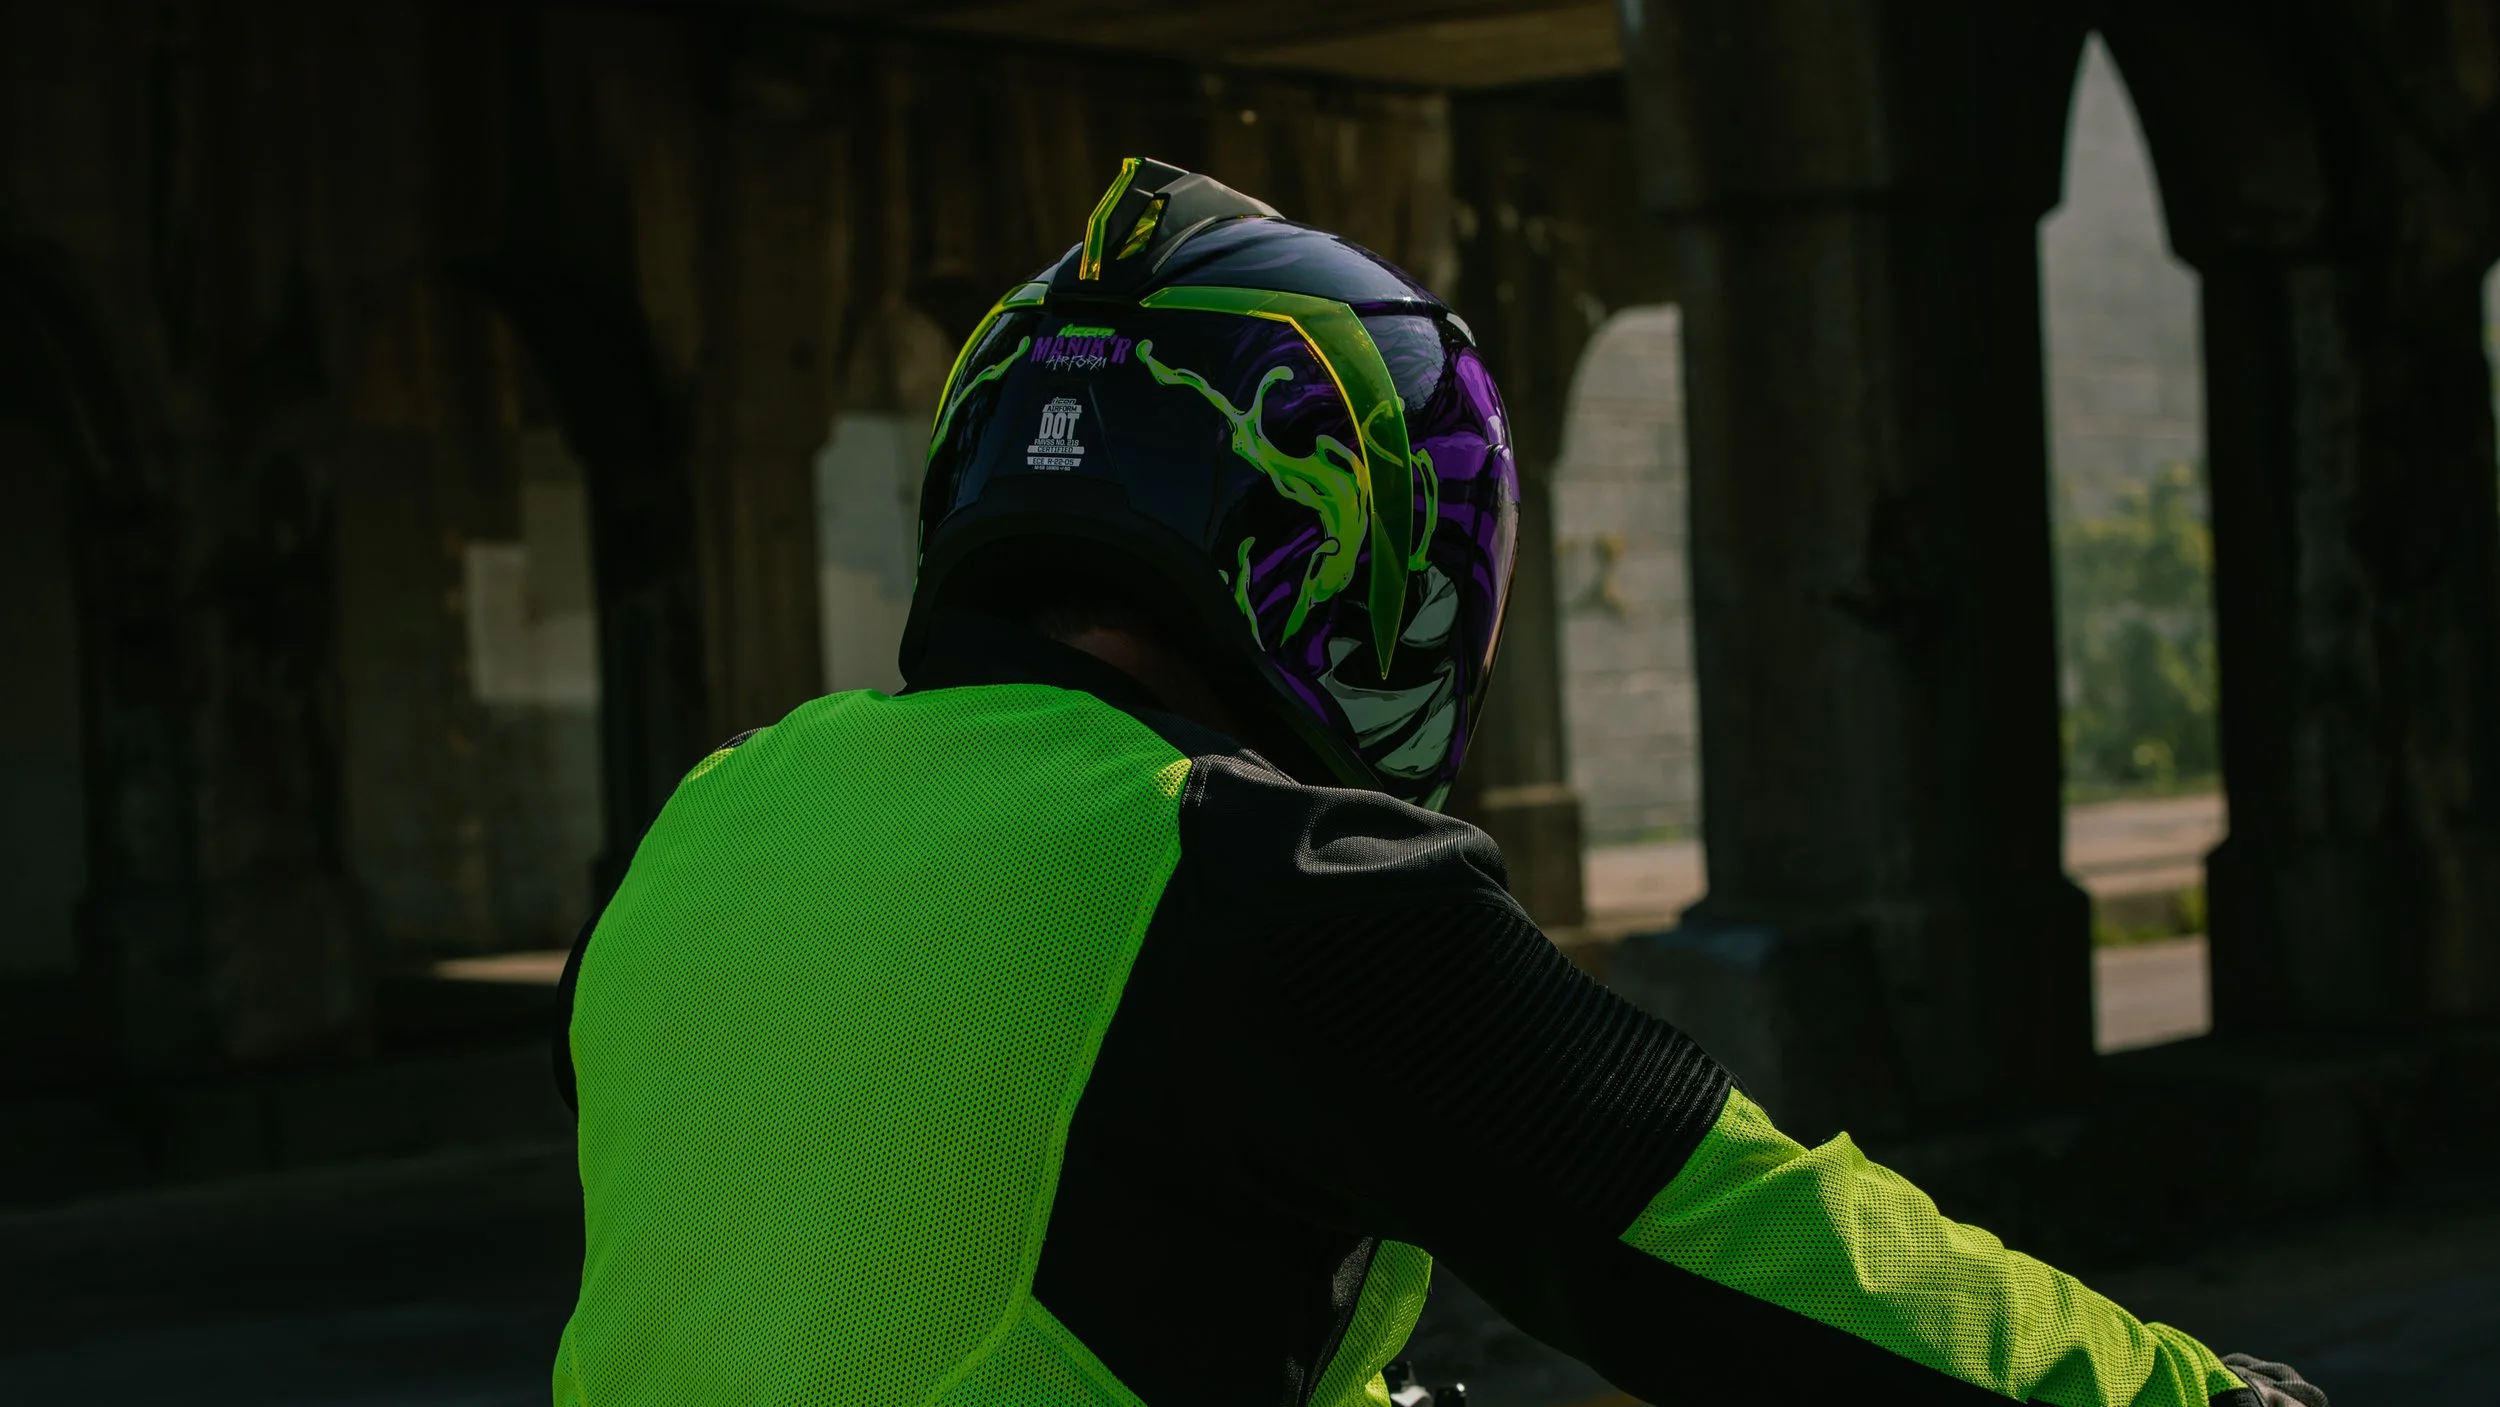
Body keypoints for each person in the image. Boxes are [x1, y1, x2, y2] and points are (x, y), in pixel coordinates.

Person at [547, 158, 2328, 1407]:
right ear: (1336, 539)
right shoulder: (1266, 881)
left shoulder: (699, 829)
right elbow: (1740, 1237)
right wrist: (2197, 1400)